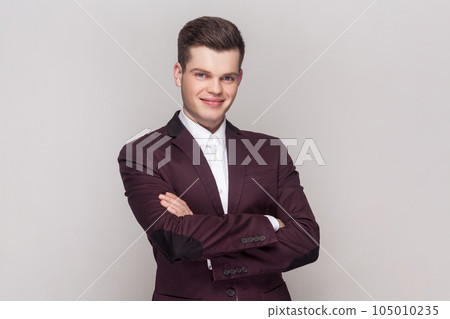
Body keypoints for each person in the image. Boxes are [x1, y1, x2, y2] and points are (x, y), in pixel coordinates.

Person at [118, 16, 320, 301]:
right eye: (202, 75)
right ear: (178, 74)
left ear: (239, 78)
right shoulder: (143, 153)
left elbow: (307, 240)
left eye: (227, 77)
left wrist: (204, 236)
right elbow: (175, 239)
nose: (215, 89)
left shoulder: (270, 150)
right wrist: (270, 223)